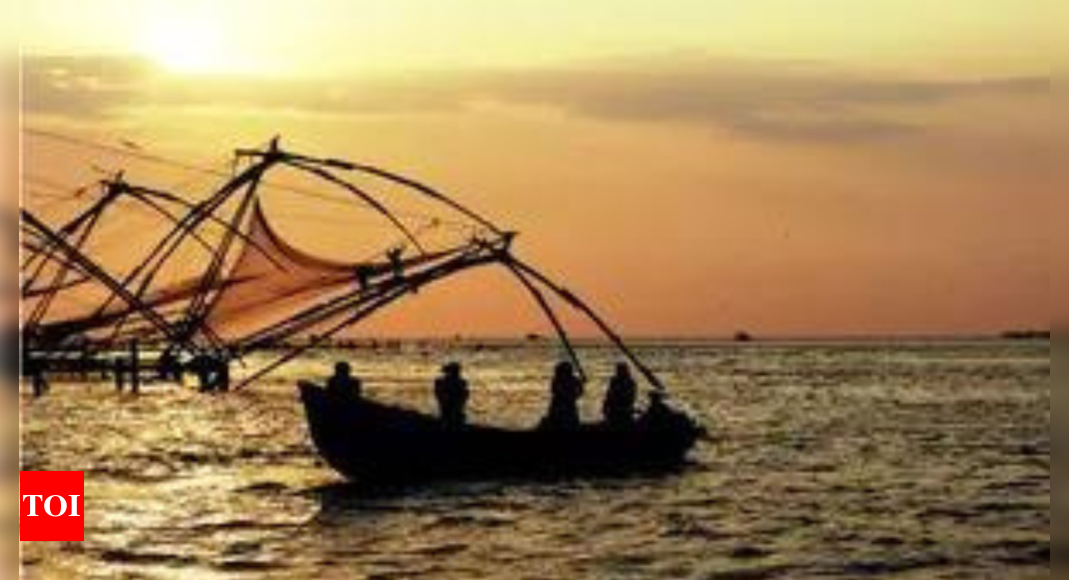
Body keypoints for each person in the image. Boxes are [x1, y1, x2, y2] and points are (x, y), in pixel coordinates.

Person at [541, 361, 584, 429]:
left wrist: (580, 385)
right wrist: (579, 386)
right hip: (560, 409)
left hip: (568, 410)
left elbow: (579, 393)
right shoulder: (558, 381)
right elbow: (560, 393)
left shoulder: (572, 379)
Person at [434, 362, 469, 428]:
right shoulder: (461, 383)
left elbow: (463, 398)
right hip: (452, 412)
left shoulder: (440, 382)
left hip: (452, 412)